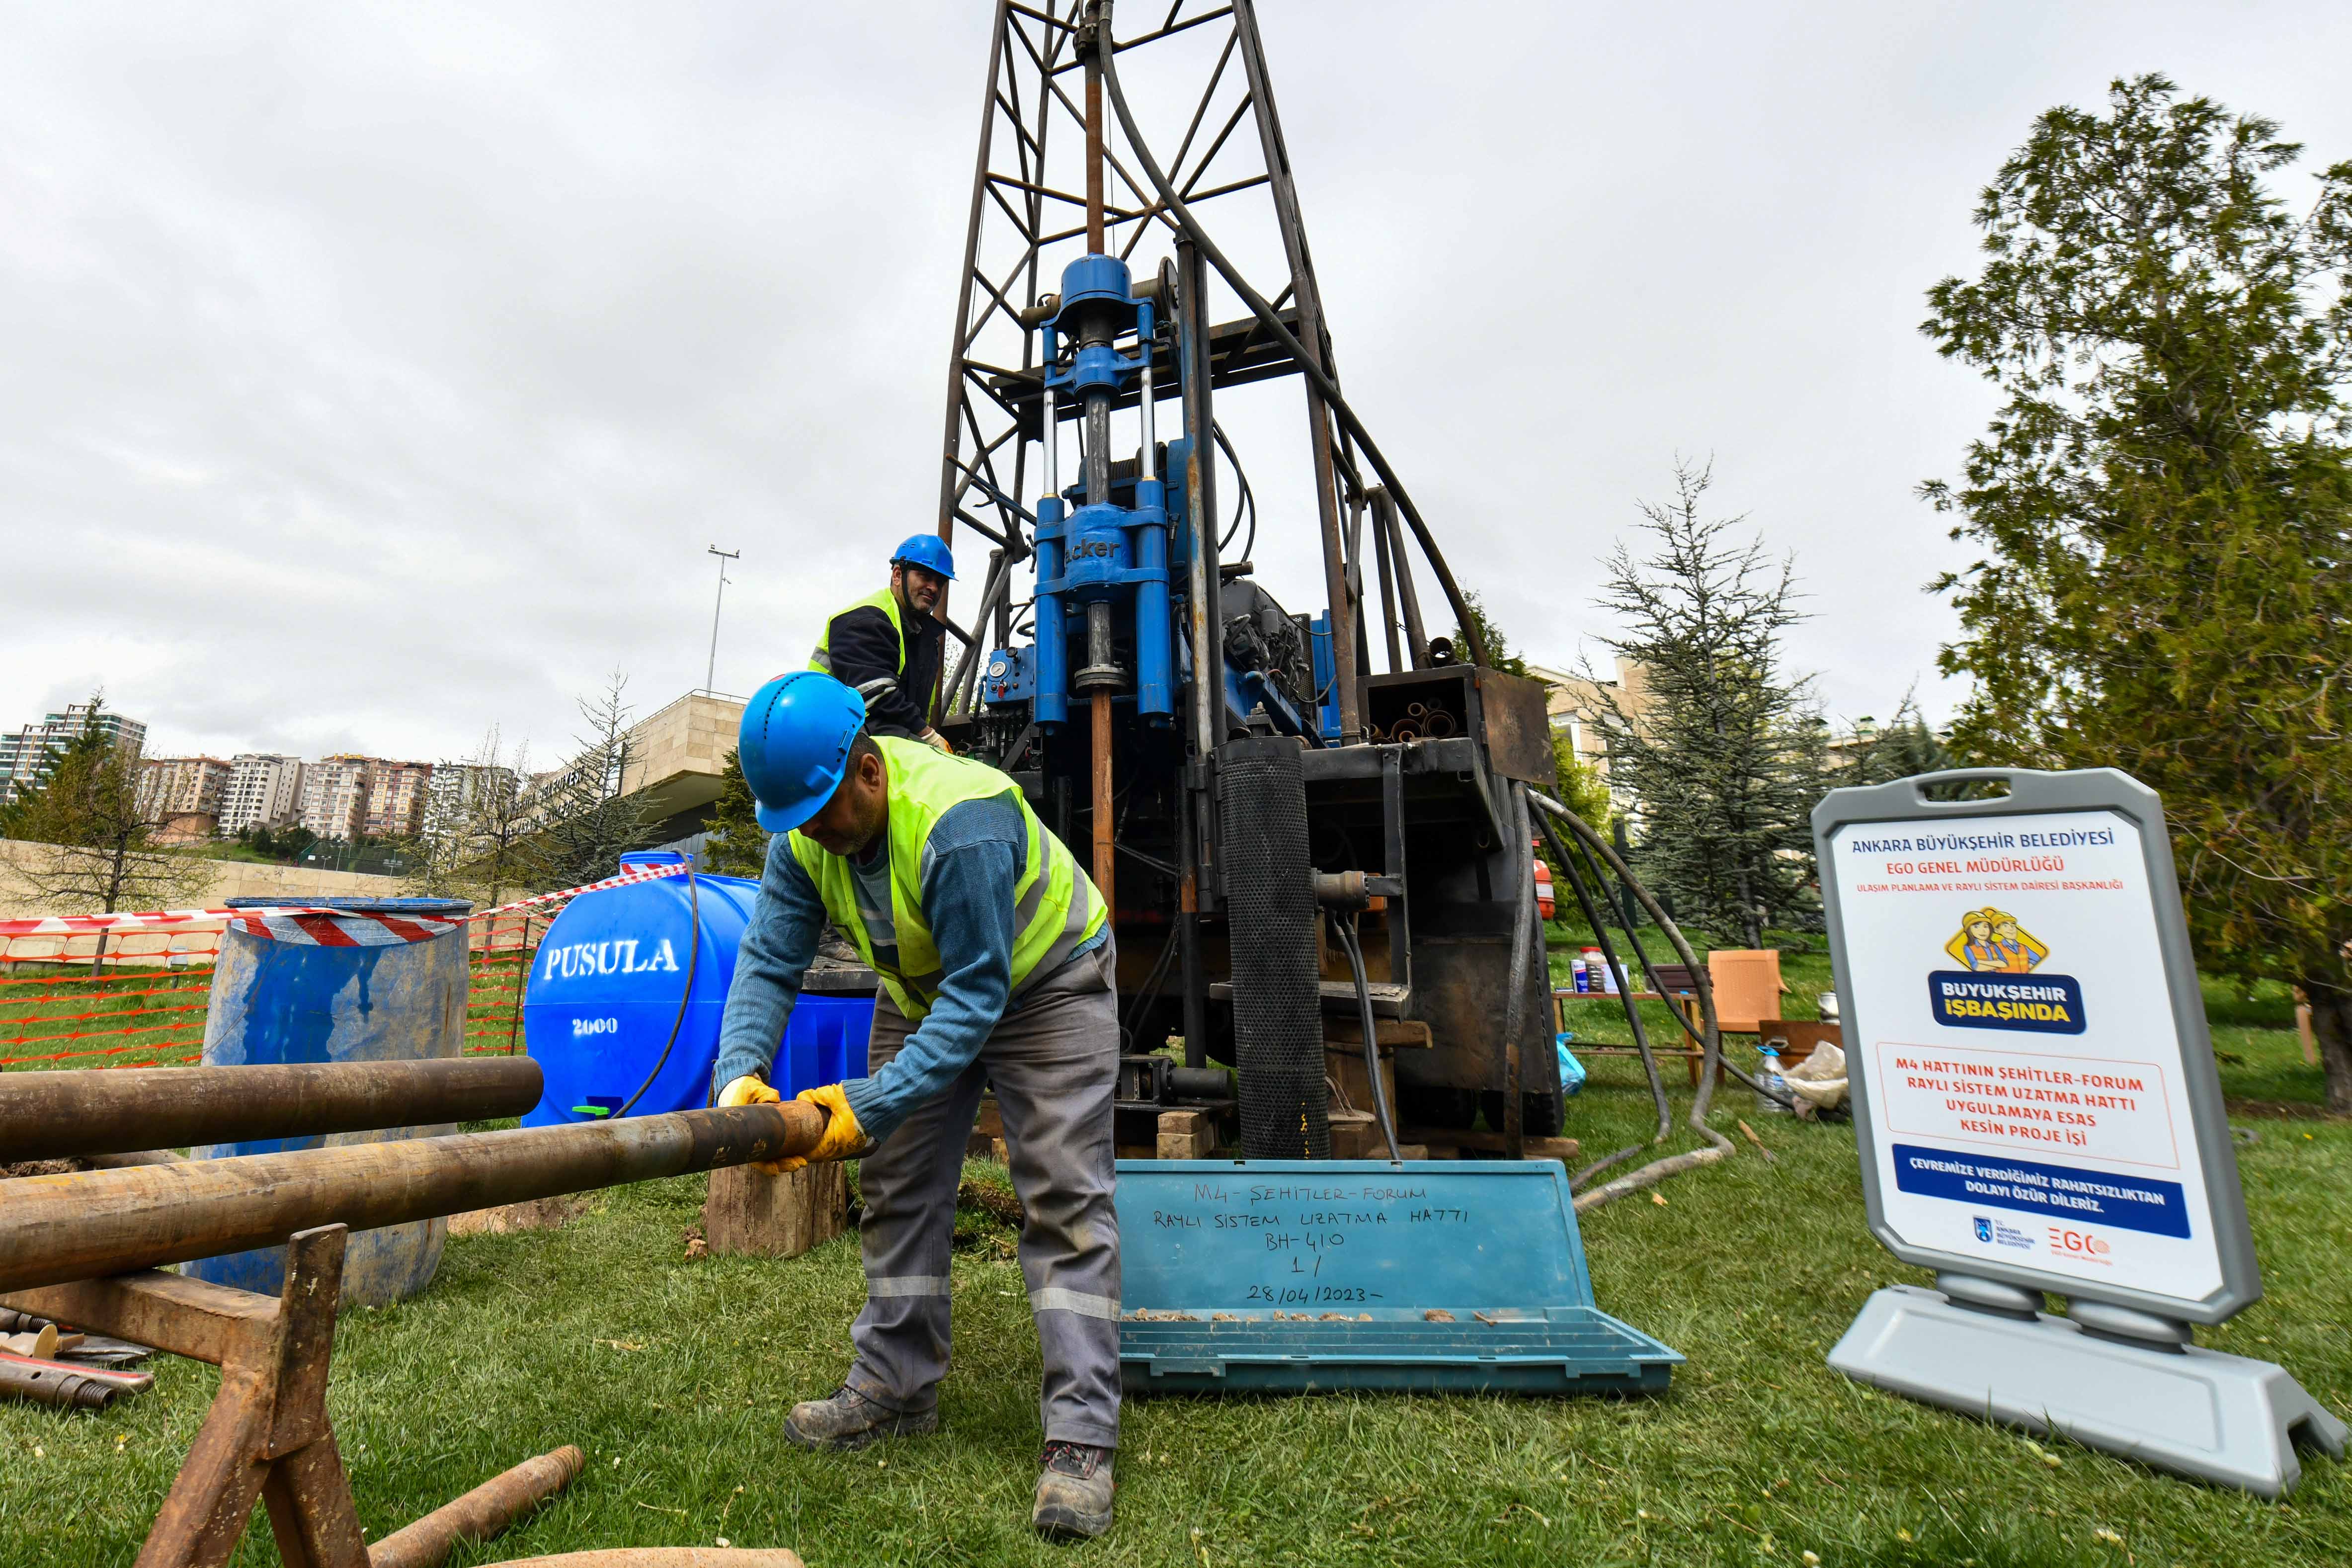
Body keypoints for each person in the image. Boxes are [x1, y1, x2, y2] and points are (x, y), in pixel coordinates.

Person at [712, 669, 1121, 1540]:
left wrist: (865, 1102)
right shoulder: (803, 829)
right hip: (926, 987)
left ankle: (1081, 1439)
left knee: (1062, 1195)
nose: (812, 834)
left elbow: (977, 1000)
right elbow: (767, 958)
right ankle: (894, 1387)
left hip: (1047, 980)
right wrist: (738, 1074)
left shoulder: (958, 824)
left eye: (823, 811)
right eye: (794, 822)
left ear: (868, 770)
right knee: (897, 1184)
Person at [809, 534, 956, 744]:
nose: (933, 587)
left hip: (876, 737)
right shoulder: (864, 621)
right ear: (898, 575)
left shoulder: (924, 640)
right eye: (924, 576)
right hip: (832, 740)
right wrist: (929, 737)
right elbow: (877, 699)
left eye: (940, 582)